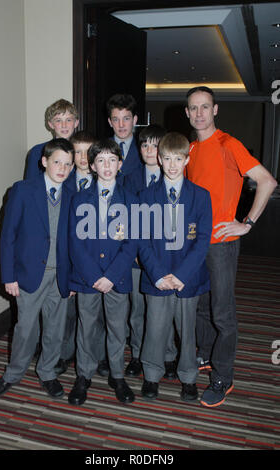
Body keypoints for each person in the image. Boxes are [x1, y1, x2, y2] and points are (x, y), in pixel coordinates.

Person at [185, 86, 277, 407]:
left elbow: (267, 181)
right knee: (200, 307)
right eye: (193, 108)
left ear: (215, 110)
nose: (199, 113)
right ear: (187, 113)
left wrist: (246, 222)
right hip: (195, 243)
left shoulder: (228, 144)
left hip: (222, 243)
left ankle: (224, 376)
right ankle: (207, 355)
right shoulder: (191, 151)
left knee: (223, 313)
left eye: (204, 107)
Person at [0, 139, 75, 398]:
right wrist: (9, 276)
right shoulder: (23, 190)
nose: (62, 168)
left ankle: (48, 371)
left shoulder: (72, 195)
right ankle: (13, 373)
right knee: (26, 328)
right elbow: (8, 236)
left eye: (68, 164)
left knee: (55, 328)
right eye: (57, 162)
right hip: (29, 274)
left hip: (60, 276)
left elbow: (73, 241)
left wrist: (71, 279)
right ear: (44, 162)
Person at [138, 132, 212, 402]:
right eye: (166, 158)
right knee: (155, 329)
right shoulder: (145, 196)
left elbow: (203, 240)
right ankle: (152, 374)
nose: (171, 165)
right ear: (158, 159)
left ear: (187, 159)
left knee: (187, 330)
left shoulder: (201, 196)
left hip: (187, 277)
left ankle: (189, 376)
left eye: (177, 159)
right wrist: (158, 275)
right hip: (157, 276)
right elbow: (141, 240)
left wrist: (181, 275)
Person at [68, 138, 138, 406]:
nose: (106, 166)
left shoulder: (131, 200)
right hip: (87, 278)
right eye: (100, 160)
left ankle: (117, 376)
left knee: (117, 327)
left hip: (117, 278)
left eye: (112, 160)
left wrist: (110, 276)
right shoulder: (79, 199)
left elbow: (132, 242)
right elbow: (74, 241)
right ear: (93, 166)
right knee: (86, 328)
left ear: (120, 164)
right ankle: (83, 375)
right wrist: (93, 274)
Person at [123, 124, 178, 380]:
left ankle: (168, 354)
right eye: (144, 144)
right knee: (138, 309)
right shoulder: (129, 178)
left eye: (155, 145)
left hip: (165, 258)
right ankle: (137, 354)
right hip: (136, 258)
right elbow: (125, 219)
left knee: (163, 309)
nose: (149, 150)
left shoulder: (176, 178)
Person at [55, 131, 109, 377]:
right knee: (66, 313)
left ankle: (97, 355)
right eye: (77, 151)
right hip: (67, 258)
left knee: (94, 314)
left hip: (95, 261)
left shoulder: (106, 183)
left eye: (89, 151)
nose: (83, 157)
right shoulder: (62, 182)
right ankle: (64, 354)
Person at [25, 99, 79, 179]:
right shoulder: (37, 151)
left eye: (68, 120)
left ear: (76, 123)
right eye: (58, 120)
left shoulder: (82, 152)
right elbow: (30, 185)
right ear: (51, 124)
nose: (64, 125)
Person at [106, 93, 143, 183]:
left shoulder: (144, 149)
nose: (121, 125)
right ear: (110, 122)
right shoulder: (100, 148)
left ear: (134, 120)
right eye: (116, 119)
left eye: (126, 118)